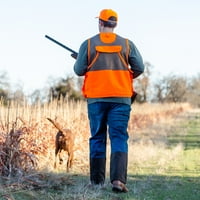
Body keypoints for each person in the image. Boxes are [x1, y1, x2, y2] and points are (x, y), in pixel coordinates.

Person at [73, 9, 144, 193]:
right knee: (119, 137)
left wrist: (83, 61)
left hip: (96, 99)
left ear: (100, 23)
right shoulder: (127, 44)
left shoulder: (88, 44)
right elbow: (139, 67)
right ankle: (118, 181)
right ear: (115, 24)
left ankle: (97, 182)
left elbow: (79, 70)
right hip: (121, 99)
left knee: (97, 137)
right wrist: (125, 75)